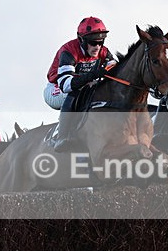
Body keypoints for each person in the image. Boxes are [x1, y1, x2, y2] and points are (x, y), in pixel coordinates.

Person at [45, 16, 117, 152]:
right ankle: (62, 136)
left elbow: (115, 69)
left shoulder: (103, 51)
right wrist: (93, 75)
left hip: (81, 85)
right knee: (76, 91)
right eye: (92, 42)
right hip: (56, 88)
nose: (97, 47)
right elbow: (66, 85)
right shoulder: (69, 51)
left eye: (100, 42)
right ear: (82, 40)